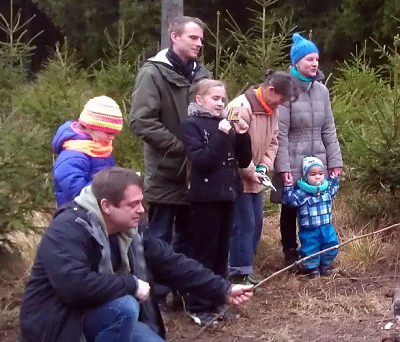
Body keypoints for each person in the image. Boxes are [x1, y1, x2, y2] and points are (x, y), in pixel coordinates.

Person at [19, 167, 254, 342]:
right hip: (59, 323)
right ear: (106, 206)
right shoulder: (68, 229)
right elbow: (73, 286)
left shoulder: (131, 231)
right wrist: (131, 284)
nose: (142, 210)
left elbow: (172, 264)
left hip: (106, 316)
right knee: (126, 306)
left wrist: (223, 289)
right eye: (133, 204)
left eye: (141, 202)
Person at [129, 15, 210, 306]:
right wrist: (181, 148)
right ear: (174, 37)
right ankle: (157, 296)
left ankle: (185, 292)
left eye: (201, 39)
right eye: (193, 38)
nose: (199, 43)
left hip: (198, 172)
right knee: (159, 237)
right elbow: (141, 121)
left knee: (190, 236)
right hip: (166, 172)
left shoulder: (202, 74)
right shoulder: (153, 74)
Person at [180, 79, 252, 325]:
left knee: (222, 253)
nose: (221, 103)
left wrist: (242, 135)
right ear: (199, 100)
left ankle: (217, 300)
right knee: (204, 253)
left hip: (228, 194)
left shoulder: (226, 125)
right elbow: (202, 160)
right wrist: (222, 134)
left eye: (223, 99)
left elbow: (243, 160)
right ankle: (197, 305)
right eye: (215, 99)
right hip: (205, 197)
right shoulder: (192, 125)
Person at [274, 33, 344, 267]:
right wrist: (283, 166)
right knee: (291, 205)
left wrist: (335, 160)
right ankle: (290, 251)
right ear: (296, 63)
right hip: (293, 155)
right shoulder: (286, 90)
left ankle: (316, 251)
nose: (314, 64)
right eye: (309, 59)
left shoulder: (321, 91)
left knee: (318, 202)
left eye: (316, 59)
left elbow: (329, 128)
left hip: (318, 156)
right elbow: (280, 132)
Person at [225, 71, 296, 285]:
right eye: (281, 99)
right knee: (242, 225)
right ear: (270, 90)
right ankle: (236, 272)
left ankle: (246, 268)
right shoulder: (239, 108)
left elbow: (273, 141)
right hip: (237, 179)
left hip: (256, 178)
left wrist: (264, 167)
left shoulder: (271, 110)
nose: (281, 104)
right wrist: (249, 171)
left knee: (256, 223)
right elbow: (232, 148)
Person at [52, 96, 124, 206]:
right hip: (77, 215)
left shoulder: (100, 149)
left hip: (97, 210)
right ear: (90, 126)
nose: (112, 137)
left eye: (114, 134)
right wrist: (109, 189)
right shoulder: (73, 155)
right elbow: (77, 191)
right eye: (108, 133)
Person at [282, 157, 341, 278]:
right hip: (309, 230)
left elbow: (334, 188)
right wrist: (288, 186)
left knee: (332, 245)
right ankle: (312, 268)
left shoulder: (327, 189)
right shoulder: (301, 193)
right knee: (310, 249)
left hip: (326, 227)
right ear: (305, 176)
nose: (318, 177)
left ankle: (325, 265)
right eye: (313, 174)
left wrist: (334, 177)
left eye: (320, 173)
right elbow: (289, 201)